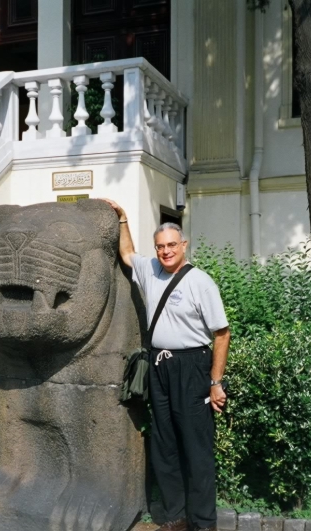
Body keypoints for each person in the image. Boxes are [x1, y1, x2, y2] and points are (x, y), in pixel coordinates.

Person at [102, 199, 230, 531]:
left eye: (172, 245)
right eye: (160, 246)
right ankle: (176, 516)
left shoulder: (200, 282)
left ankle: (204, 523)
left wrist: (215, 382)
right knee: (164, 444)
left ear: (183, 245)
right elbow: (128, 254)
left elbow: (222, 333)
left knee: (196, 449)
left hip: (191, 368)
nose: (165, 251)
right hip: (159, 368)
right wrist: (122, 218)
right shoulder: (150, 270)